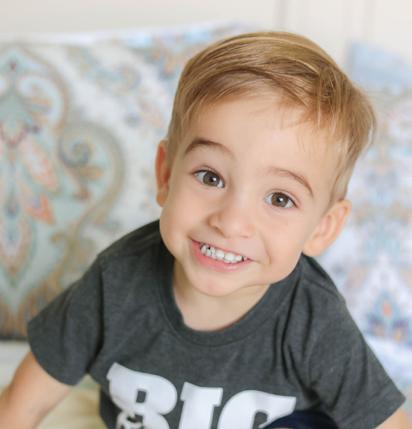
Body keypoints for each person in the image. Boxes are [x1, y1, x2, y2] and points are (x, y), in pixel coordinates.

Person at [0, 32, 410, 429]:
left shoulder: (313, 319)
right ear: (165, 174)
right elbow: (21, 407)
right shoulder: (115, 284)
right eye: (210, 177)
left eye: (280, 199)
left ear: (322, 227)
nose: (230, 222)